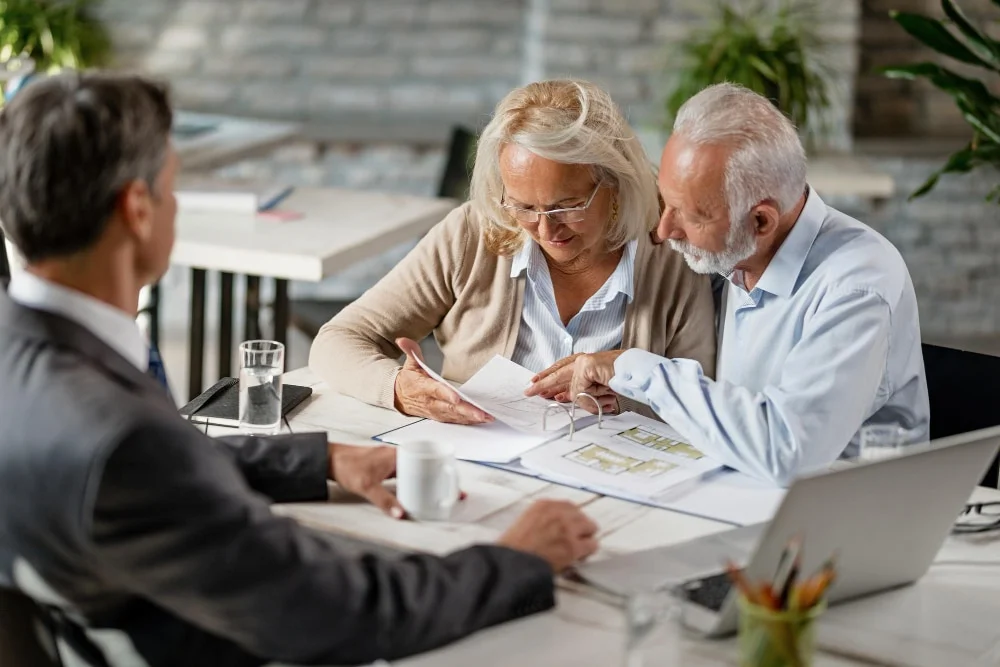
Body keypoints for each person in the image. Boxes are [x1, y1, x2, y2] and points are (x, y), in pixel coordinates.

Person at [0, 72, 600, 667]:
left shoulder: (30, 363)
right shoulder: (123, 436)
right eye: (172, 188)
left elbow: (145, 475)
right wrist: (518, 558)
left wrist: (321, 460)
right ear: (137, 208)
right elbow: (339, 613)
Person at [528, 83, 930, 486]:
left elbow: (786, 451)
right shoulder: (735, 252)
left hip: (847, 509)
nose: (665, 230)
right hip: (739, 486)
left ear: (761, 221)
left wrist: (633, 367)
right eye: (666, 203)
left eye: (689, 215)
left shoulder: (857, 284)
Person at [309, 79, 716, 423]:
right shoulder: (472, 233)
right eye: (523, 206)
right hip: (480, 471)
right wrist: (398, 387)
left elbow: (701, 399)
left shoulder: (672, 253)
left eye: (567, 205)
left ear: (614, 183)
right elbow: (339, 339)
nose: (544, 228)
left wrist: (624, 394)